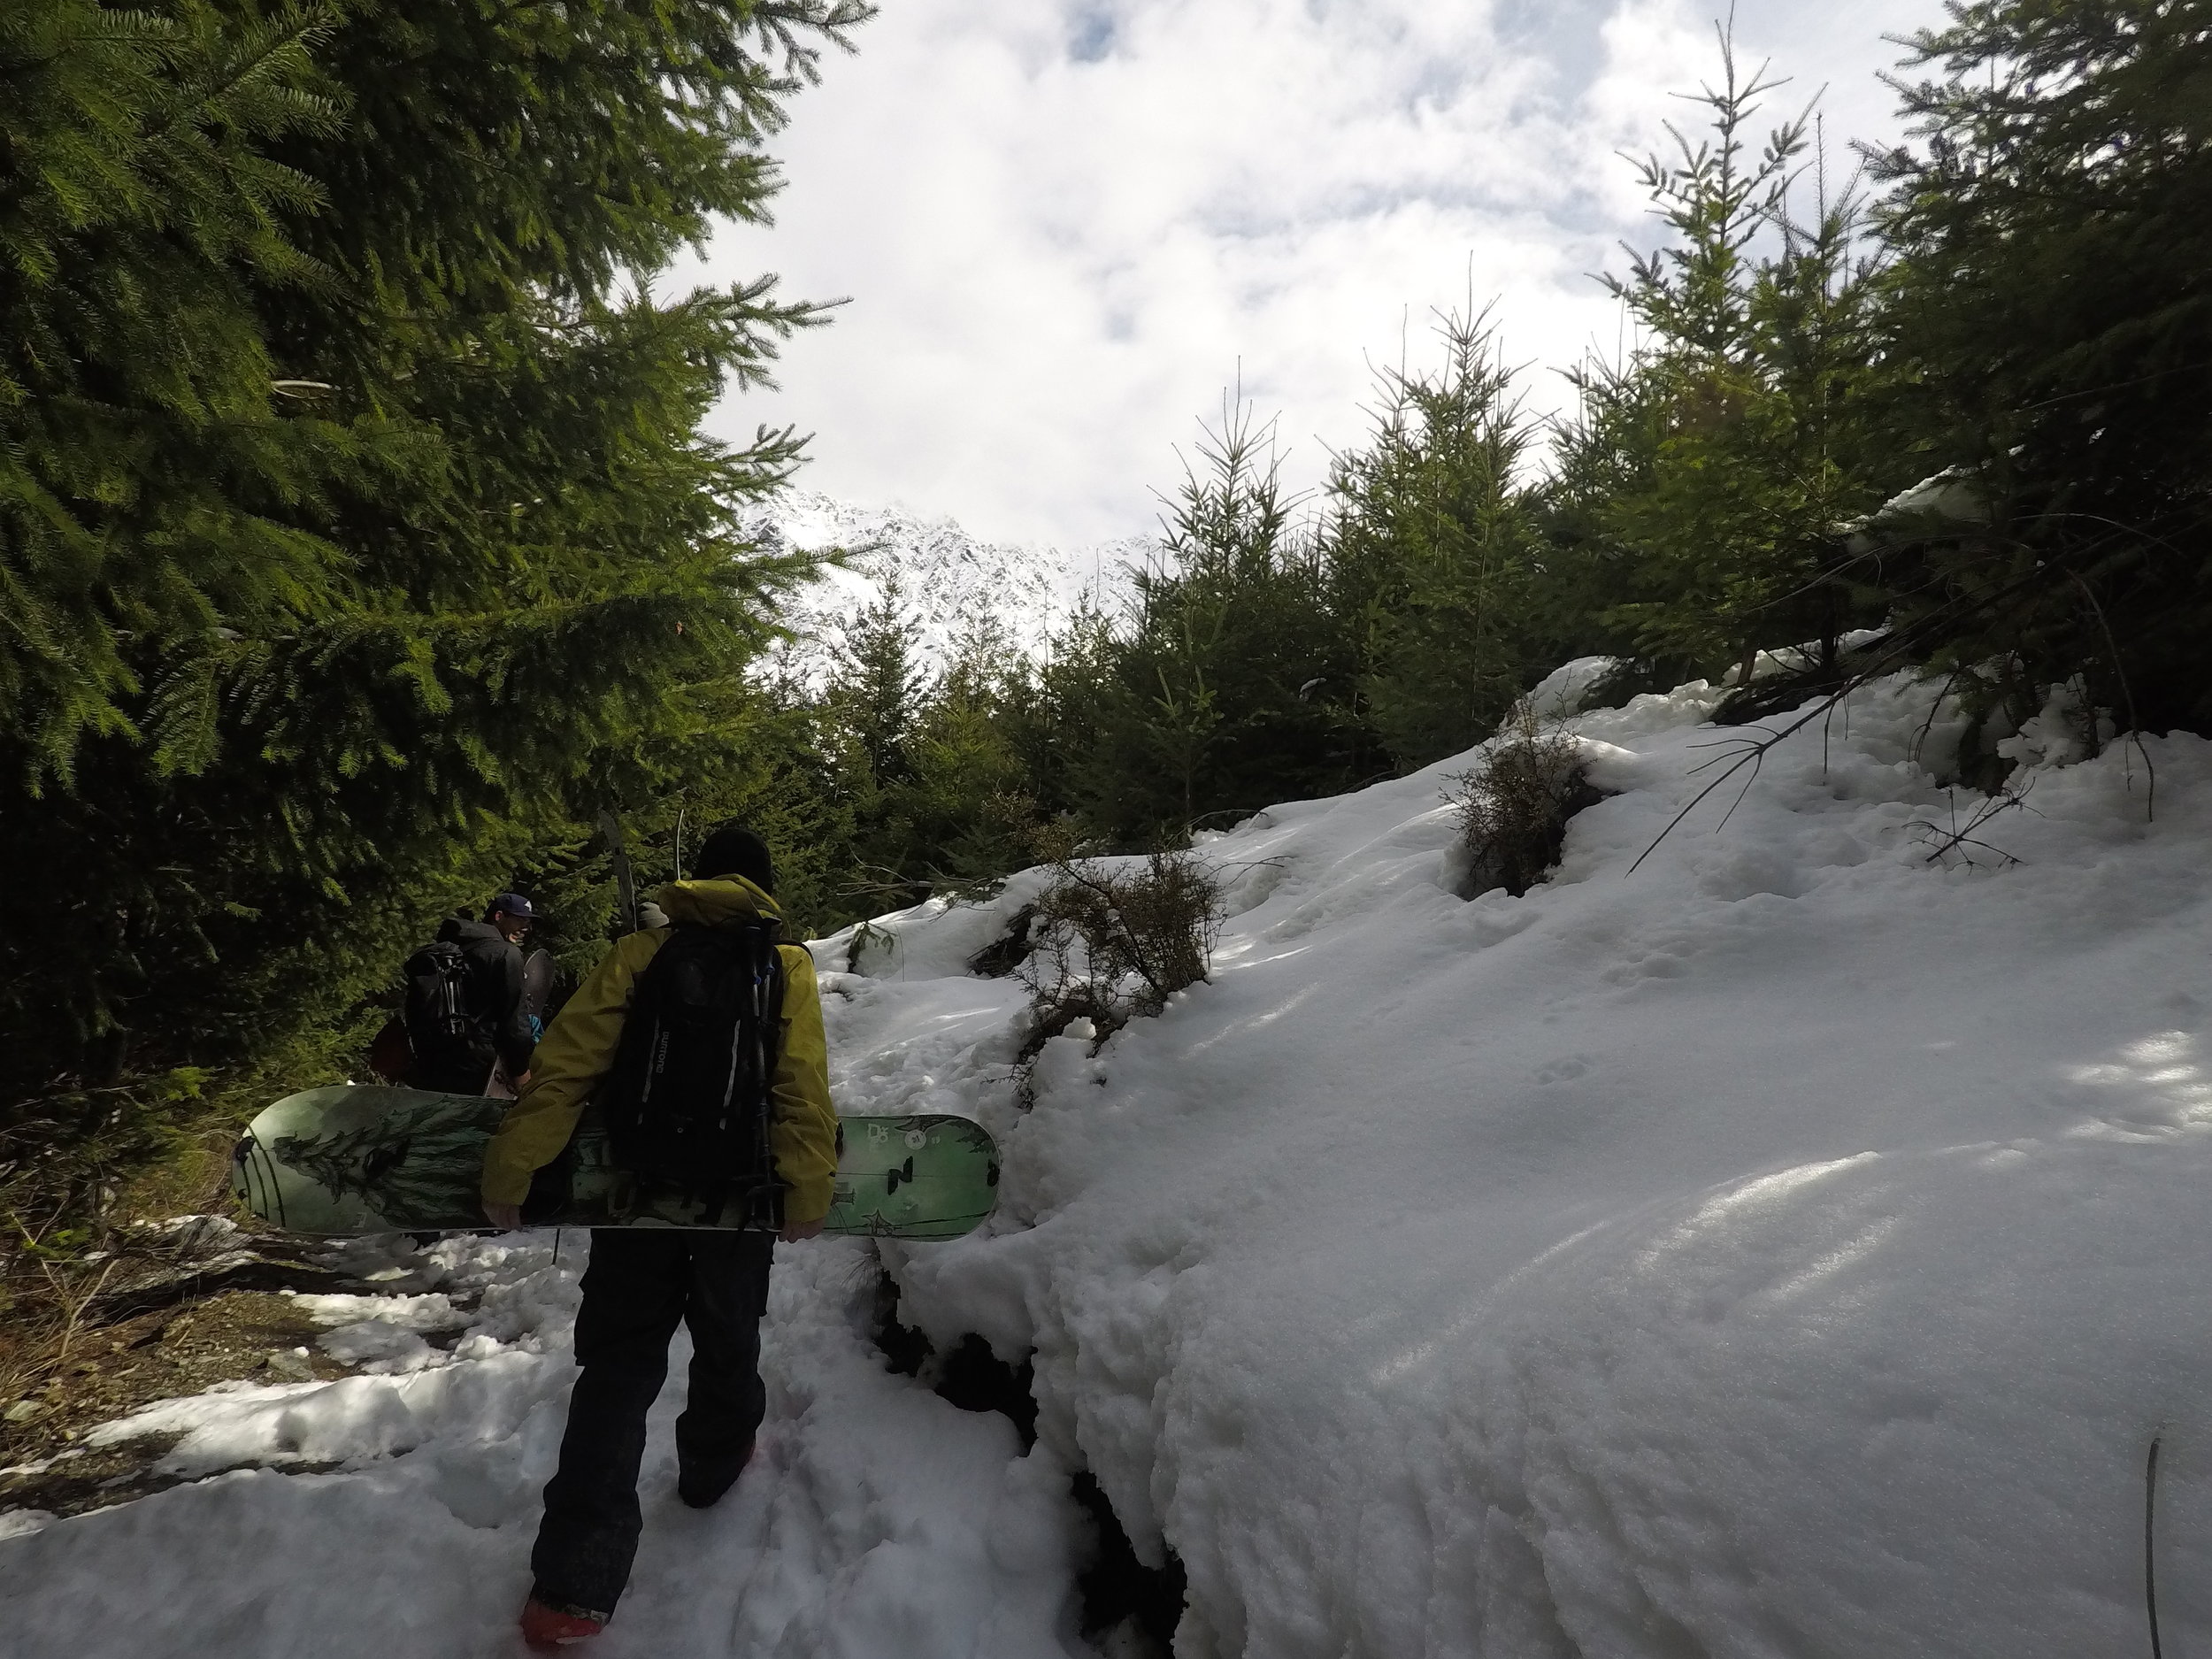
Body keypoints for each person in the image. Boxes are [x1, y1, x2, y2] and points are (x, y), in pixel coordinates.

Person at [478, 826, 838, 1652]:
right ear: (764, 888)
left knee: (616, 1367)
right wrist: (807, 1189)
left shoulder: (642, 951)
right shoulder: (785, 966)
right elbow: (801, 1088)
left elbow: (566, 1067)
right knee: (728, 1336)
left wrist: (513, 1169)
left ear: (700, 881)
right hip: (737, 1205)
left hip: (633, 1199)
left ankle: (570, 1589)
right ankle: (713, 1468)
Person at [399, 893, 539, 1094]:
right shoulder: (506, 954)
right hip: (479, 1067)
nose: (526, 928)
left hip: (433, 1060)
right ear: (499, 916)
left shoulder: (449, 950)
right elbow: (514, 1022)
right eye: (520, 920)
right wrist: (521, 1071)